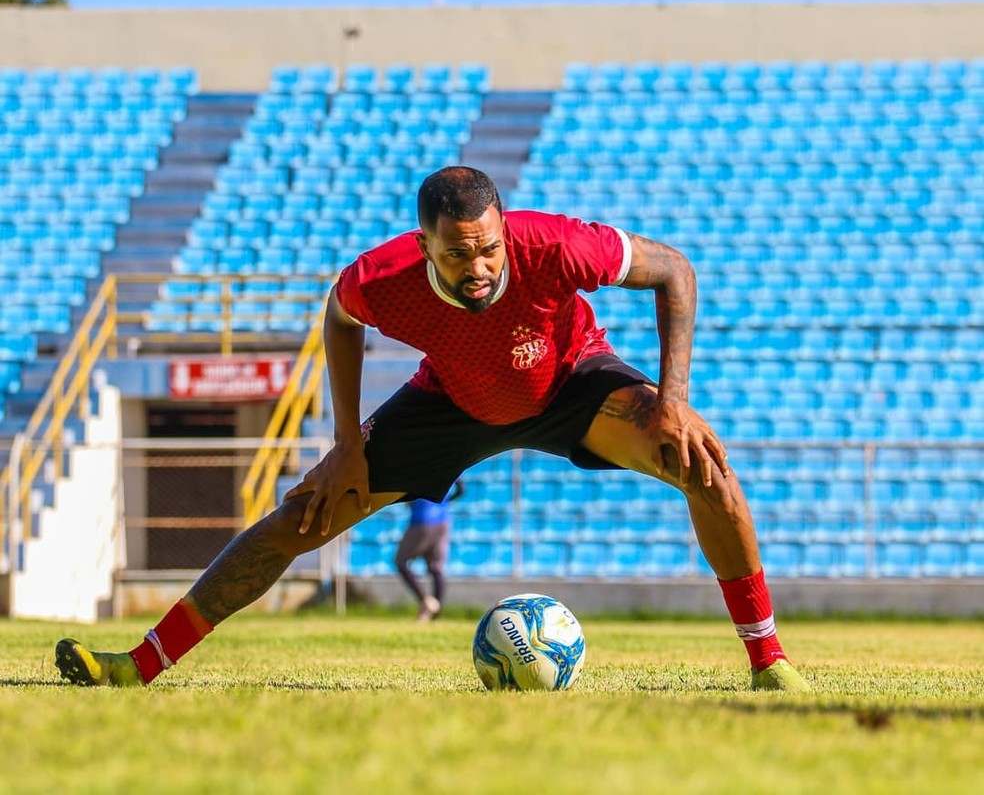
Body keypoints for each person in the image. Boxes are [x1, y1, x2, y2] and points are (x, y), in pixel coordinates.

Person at [55, 166, 809, 692]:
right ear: (425, 248)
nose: (478, 265)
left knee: (704, 462)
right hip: (449, 404)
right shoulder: (382, 278)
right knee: (302, 515)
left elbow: (674, 269)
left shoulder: (558, 246)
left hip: (571, 381)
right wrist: (347, 446)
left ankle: (768, 660)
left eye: (488, 248)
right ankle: (140, 664)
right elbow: (339, 318)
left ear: (505, 232)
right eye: (458, 253)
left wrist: (672, 396)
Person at [395, 481, 463, 621]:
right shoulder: (448, 462)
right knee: (436, 567)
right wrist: (445, 502)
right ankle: (435, 615)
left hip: (422, 519)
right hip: (443, 521)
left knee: (401, 561)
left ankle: (426, 601)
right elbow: (461, 489)